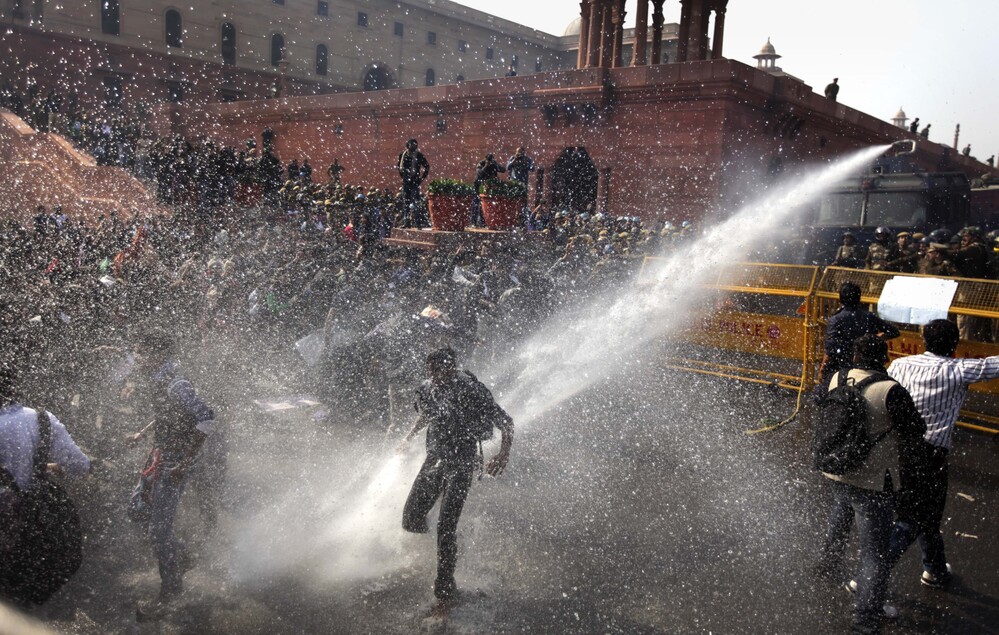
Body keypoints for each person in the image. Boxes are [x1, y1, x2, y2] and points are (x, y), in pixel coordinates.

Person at [817, 335, 925, 634]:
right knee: (874, 554)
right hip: (874, 479)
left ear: (855, 354)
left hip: (838, 469)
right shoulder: (890, 390)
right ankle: (866, 617)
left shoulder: (838, 377)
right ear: (885, 357)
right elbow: (916, 429)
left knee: (841, 511)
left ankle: (827, 560)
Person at [884, 320, 999, 588]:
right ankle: (873, 570)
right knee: (915, 518)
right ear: (955, 344)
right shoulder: (958, 370)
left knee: (925, 514)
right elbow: (992, 365)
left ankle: (934, 568)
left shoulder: (900, 365)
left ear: (924, 340)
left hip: (897, 447)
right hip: (929, 454)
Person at [401, 347, 513, 616]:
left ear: (451, 367)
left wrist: (502, 454)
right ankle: (449, 544)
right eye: (430, 372)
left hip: (462, 463)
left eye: (439, 371)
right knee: (411, 519)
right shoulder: (428, 388)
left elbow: (506, 423)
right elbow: (427, 414)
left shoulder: (471, 390)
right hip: (435, 459)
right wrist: (407, 439)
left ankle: (445, 593)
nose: (434, 377)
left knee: (445, 527)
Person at [129, 329, 216, 619]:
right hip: (160, 454)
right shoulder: (159, 379)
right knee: (137, 509)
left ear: (157, 355)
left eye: (141, 352)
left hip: (175, 461)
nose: (137, 357)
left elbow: (206, 418)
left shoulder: (176, 383)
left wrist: (184, 464)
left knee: (158, 531)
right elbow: (169, 413)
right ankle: (180, 556)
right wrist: (143, 433)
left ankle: (170, 593)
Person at [819, 282, 900, 388]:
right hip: (867, 368)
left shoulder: (835, 320)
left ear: (840, 299)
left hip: (842, 370)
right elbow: (894, 331)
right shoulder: (869, 317)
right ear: (859, 298)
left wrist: (822, 369)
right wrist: (876, 338)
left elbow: (831, 349)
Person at [397, 139, 430, 228]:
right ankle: (407, 223)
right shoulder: (402, 155)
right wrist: (404, 177)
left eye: (415, 145)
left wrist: (421, 179)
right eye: (412, 145)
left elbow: (427, 167)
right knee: (406, 204)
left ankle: (418, 223)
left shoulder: (419, 155)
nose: (414, 146)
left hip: (415, 182)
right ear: (408, 145)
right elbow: (399, 168)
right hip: (406, 183)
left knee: (416, 203)